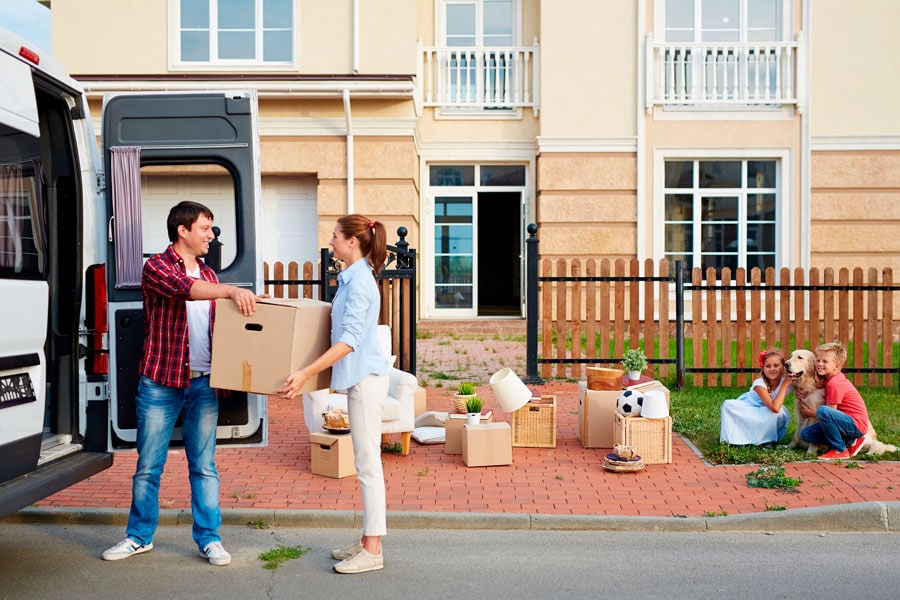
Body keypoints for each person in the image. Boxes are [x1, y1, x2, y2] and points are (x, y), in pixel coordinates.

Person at [102, 201, 264, 566]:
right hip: (161, 382)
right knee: (149, 466)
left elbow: (223, 316)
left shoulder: (210, 272)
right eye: (205, 228)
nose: (211, 235)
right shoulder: (156, 267)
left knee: (204, 466)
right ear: (183, 230)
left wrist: (255, 306)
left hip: (204, 384)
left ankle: (209, 539)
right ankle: (138, 537)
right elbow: (183, 289)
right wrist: (230, 292)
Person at [277, 214, 389, 575]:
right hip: (361, 379)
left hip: (366, 380)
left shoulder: (359, 283)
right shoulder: (353, 278)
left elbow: (349, 341)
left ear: (353, 241)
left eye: (336, 236)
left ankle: (373, 549)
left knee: (368, 463)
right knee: (364, 462)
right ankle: (367, 539)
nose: (331, 241)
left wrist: (307, 372)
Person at [799, 342, 869, 460]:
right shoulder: (831, 379)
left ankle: (839, 450)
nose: (820, 364)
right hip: (845, 424)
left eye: (825, 362)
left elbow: (829, 412)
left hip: (855, 425)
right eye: (818, 360)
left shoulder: (835, 384)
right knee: (806, 434)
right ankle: (851, 440)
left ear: (837, 366)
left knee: (824, 411)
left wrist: (809, 413)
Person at [719, 349, 792, 446]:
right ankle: (738, 440)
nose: (772, 369)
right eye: (768, 366)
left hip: (767, 411)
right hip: (750, 408)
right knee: (728, 405)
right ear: (763, 369)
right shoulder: (759, 384)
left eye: (776, 365)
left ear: (783, 368)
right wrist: (785, 385)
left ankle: (767, 440)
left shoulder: (788, 381)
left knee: (781, 412)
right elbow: (774, 407)